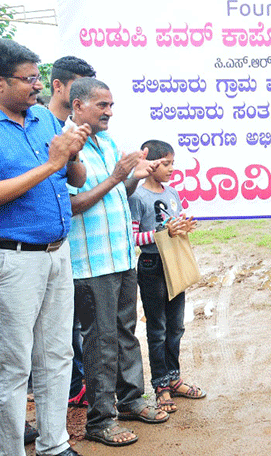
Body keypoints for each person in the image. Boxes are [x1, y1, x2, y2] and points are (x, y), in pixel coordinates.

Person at [0, 38, 90, 456]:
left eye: (38, 77)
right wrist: (51, 163)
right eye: (28, 79)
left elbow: (76, 178)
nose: (38, 86)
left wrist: (72, 155)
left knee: (56, 354)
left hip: (57, 253)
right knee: (12, 364)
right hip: (12, 259)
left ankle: (55, 444)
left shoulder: (44, 118)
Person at [67, 77, 167, 447]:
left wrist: (132, 179)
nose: (109, 112)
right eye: (102, 105)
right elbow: (73, 205)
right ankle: (100, 420)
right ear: (78, 106)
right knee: (101, 341)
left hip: (121, 256)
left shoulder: (107, 142)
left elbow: (116, 195)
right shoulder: (65, 144)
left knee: (125, 332)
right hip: (91, 263)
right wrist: (116, 177)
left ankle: (130, 401)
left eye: (111, 105)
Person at [129, 140, 206, 413]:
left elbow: (175, 224)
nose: (172, 169)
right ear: (151, 166)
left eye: (173, 163)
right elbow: (134, 237)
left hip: (174, 262)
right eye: (166, 164)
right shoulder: (137, 197)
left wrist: (184, 226)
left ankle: (175, 378)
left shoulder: (172, 193)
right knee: (158, 328)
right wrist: (163, 233)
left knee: (176, 326)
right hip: (152, 264)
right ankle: (161, 386)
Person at [45, 55, 96, 408]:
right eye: (79, 86)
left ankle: (72, 389)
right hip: (26, 247)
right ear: (58, 86)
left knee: (64, 333)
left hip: (61, 246)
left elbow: (75, 180)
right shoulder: (39, 125)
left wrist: (73, 153)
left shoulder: (73, 130)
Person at [48, 55, 96, 124]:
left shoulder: (90, 127)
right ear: (57, 86)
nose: (87, 93)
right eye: (81, 87)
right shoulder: (37, 123)